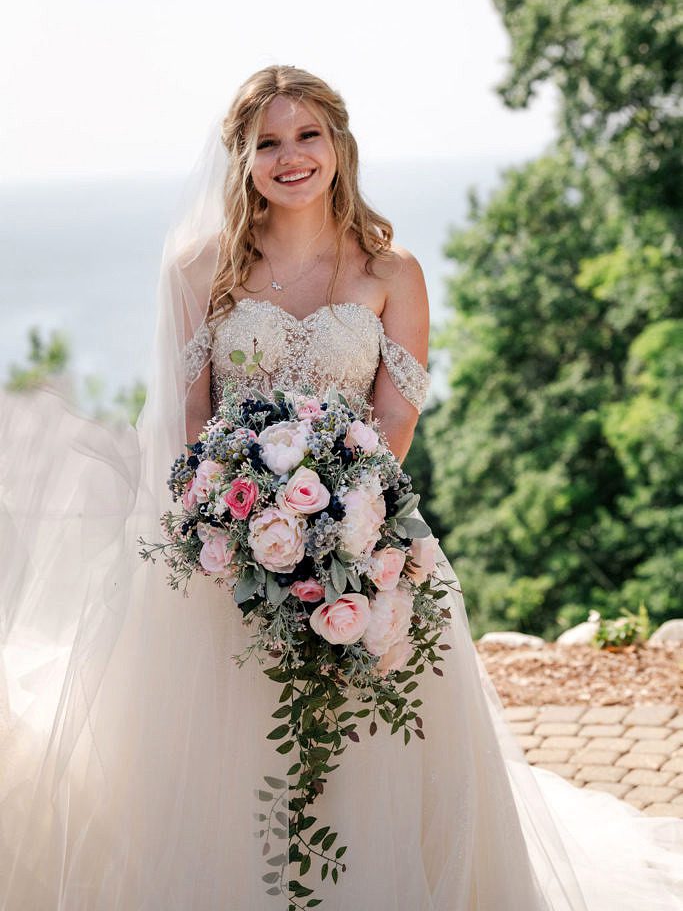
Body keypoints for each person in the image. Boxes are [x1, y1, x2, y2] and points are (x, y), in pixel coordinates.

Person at [1, 65, 681, 910]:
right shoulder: (198, 272)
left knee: (370, 756)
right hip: (224, 555)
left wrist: (343, 525)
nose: (291, 157)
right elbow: (186, 426)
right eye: (268, 142)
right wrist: (235, 525)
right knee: (223, 761)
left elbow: (394, 424)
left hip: (367, 543)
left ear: (337, 143)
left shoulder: (390, 273)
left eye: (307, 135)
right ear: (242, 160)